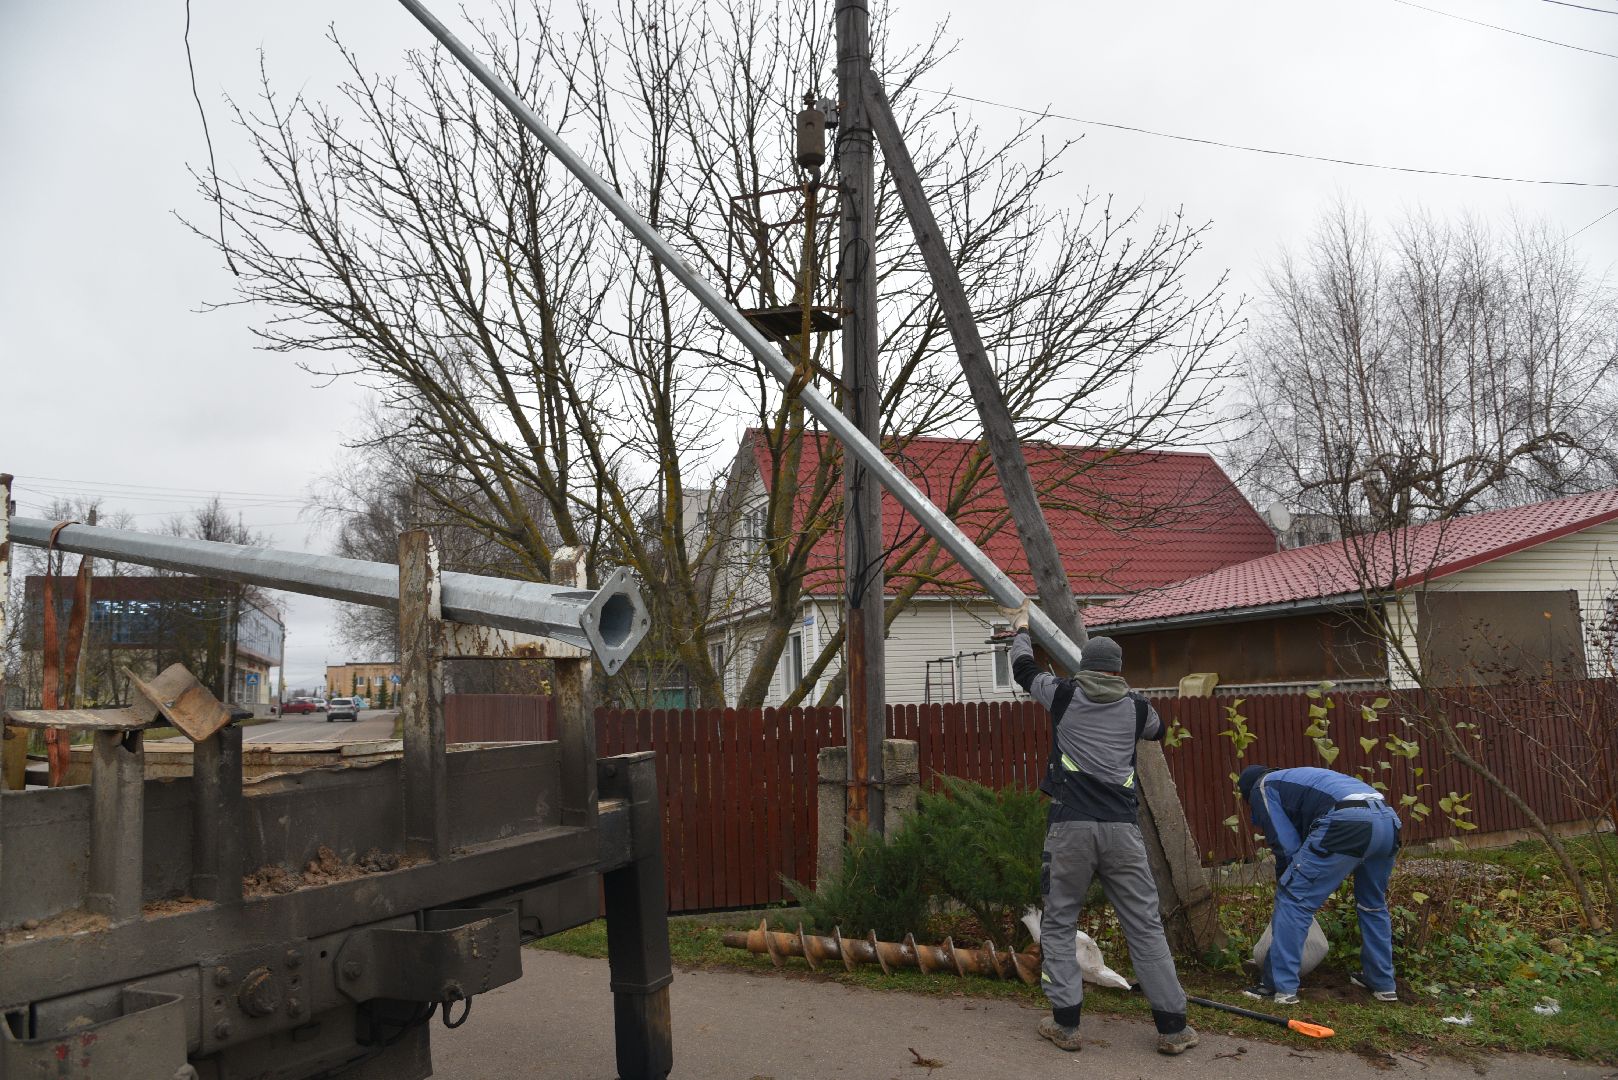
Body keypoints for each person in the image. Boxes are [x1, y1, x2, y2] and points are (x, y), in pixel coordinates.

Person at [1001, 602, 1198, 1056]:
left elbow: (1024, 668)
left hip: (1071, 829)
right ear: (1118, 671)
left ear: (1084, 666)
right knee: (1145, 927)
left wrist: (1020, 629)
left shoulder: (1064, 694)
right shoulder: (1137, 709)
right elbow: (1158, 730)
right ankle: (1173, 1029)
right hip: (1123, 833)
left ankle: (1066, 1025)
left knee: (1060, 922)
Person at [1237, 764, 1402, 1005]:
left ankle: (1278, 986)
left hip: (1347, 821)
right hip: (1388, 821)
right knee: (1372, 904)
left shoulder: (1262, 787)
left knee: (1293, 899)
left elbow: (1285, 846)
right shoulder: (1298, 780)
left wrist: (1289, 881)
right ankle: (1383, 983)